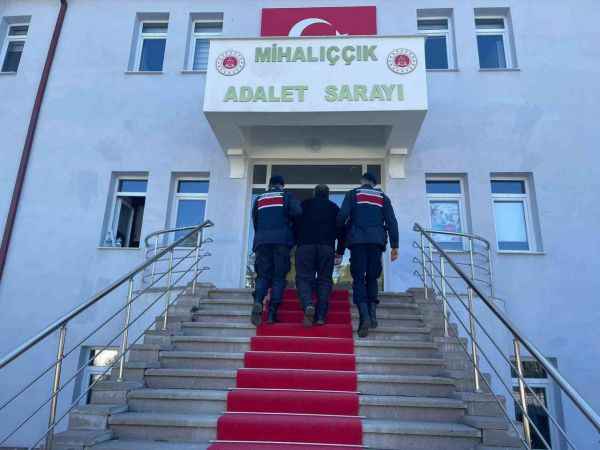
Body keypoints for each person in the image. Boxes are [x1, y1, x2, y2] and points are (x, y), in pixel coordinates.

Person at [337, 172, 399, 338]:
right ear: (374, 183)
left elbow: (342, 216)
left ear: (362, 181)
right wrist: (395, 246)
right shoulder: (383, 197)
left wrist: (339, 232)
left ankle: (364, 315)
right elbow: (391, 221)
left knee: (358, 278)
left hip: (357, 242)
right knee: (372, 278)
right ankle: (372, 314)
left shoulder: (353, 194)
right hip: (376, 242)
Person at [251, 175, 302, 326]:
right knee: (279, 277)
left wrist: (261, 236)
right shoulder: (286, 196)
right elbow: (298, 212)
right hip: (281, 241)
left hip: (262, 241)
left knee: (262, 276)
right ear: (282, 185)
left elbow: (255, 220)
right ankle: (272, 314)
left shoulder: (259, 198)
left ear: (270, 185)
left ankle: (258, 301)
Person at [294, 184, 345, 327]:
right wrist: (340, 251)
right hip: (326, 248)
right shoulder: (334, 208)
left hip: (305, 246)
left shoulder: (304, 205)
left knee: (304, 278)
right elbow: (342, 229)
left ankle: (308, 304)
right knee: (324, 280)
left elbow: (294, 224)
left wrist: (295, 242)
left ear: (314, 193)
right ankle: (321, 316)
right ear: (328, 195)